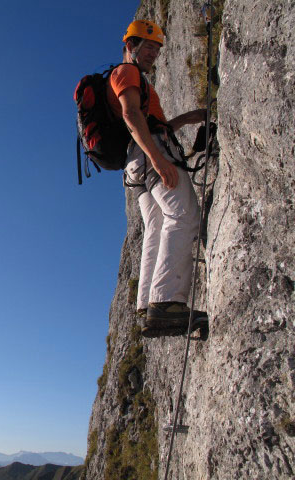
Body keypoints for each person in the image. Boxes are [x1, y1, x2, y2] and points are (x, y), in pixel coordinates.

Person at [107, 20, 207, 337]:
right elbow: (131, 115)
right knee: (183, 213)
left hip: (135, 164)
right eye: (148, 47)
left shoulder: (135, 81)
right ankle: (165, 304)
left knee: (156, 226)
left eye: (157, 49)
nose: (153, 54)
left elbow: (148, 121)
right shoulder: (126, 73)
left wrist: (186, 119)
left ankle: (146, 304)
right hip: (149, 155)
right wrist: (158, 158)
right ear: (130, 46)